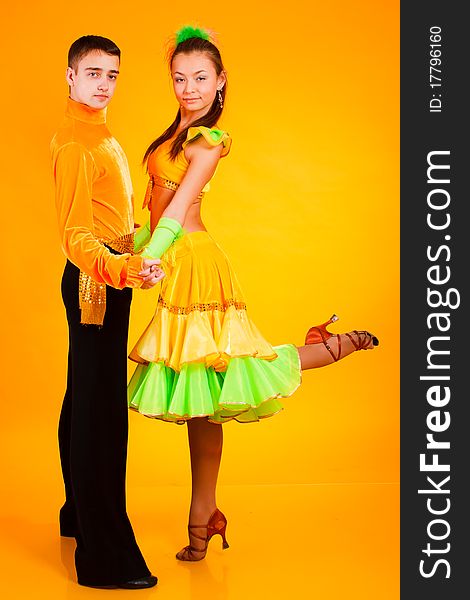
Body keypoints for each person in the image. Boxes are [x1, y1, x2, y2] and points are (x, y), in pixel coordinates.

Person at [128, 25, 379, 562]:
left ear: (221, 83)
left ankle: (334, 345)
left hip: (195, 267)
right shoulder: (174, 134)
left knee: (231, 381)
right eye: (179, 78)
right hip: (172, 262)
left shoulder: (209, 142)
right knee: (201, 401)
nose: (189, 88)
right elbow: (155, 209)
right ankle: (205, 515)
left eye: (200, 78)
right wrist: (132, 245)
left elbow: (179, 208)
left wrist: (151, 253)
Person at [51, 35, 162, 588]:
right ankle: (101, 552)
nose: (103, 84)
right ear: (69, 77)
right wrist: (123, 268)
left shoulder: (100, 133)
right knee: (100, 415)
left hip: (110, 277)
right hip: (94, 286)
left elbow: (110, 220)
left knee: (85, 399)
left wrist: (138, 250)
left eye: (112, 75)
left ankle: (78, 514)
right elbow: (75, 237)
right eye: (92, 73)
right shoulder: (74, 143)